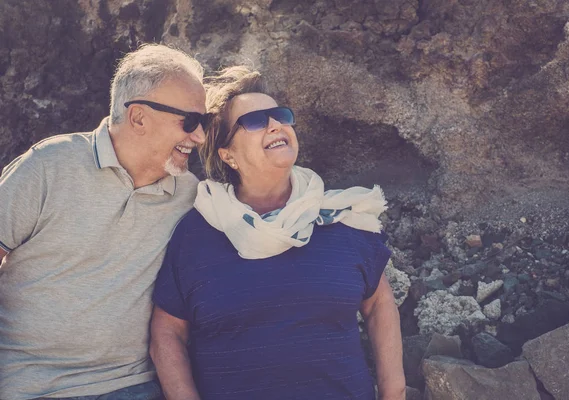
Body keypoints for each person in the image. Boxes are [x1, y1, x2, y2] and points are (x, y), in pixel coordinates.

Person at [151, 67, 407, 400]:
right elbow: (167, 332)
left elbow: (379, 305)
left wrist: (393, 392)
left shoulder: (340, 220)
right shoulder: (199, 232)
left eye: (280, 116)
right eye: (256, 121)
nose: (276, 125)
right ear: (228, 156)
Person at [0, 43, 208, 400]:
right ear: (139, 117)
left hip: (132, 386)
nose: (200, 136)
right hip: (29, 384)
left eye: (204, 123)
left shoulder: (191, 197)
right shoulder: (49, 166)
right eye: (189, 121)